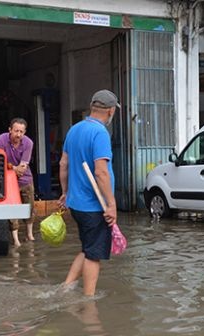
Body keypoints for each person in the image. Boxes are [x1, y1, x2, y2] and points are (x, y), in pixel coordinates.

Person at [58, 89, 120, 296]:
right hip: (95, 206)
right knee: (94, 255)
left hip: (76, 204)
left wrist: (65, 193)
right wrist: (111, 205)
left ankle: (66, 287)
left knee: (87, 248)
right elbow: (101, 172)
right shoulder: (100, 133)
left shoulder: (74, 130)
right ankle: (89, 301)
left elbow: (63, 164)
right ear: (111, 111)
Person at [0, 118, 35, 248]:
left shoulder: (28, 143)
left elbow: (24, 166)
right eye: (16, 131)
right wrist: (13, 168)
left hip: (25, 178)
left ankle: (29, 234)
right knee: (12, 208)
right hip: (7, 179)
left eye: (21, 132)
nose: (18, 134)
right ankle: (15, 239)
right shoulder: (0, 140)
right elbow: (0, 161)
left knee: (29, 206)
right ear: (10, 130)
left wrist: (13, 168)